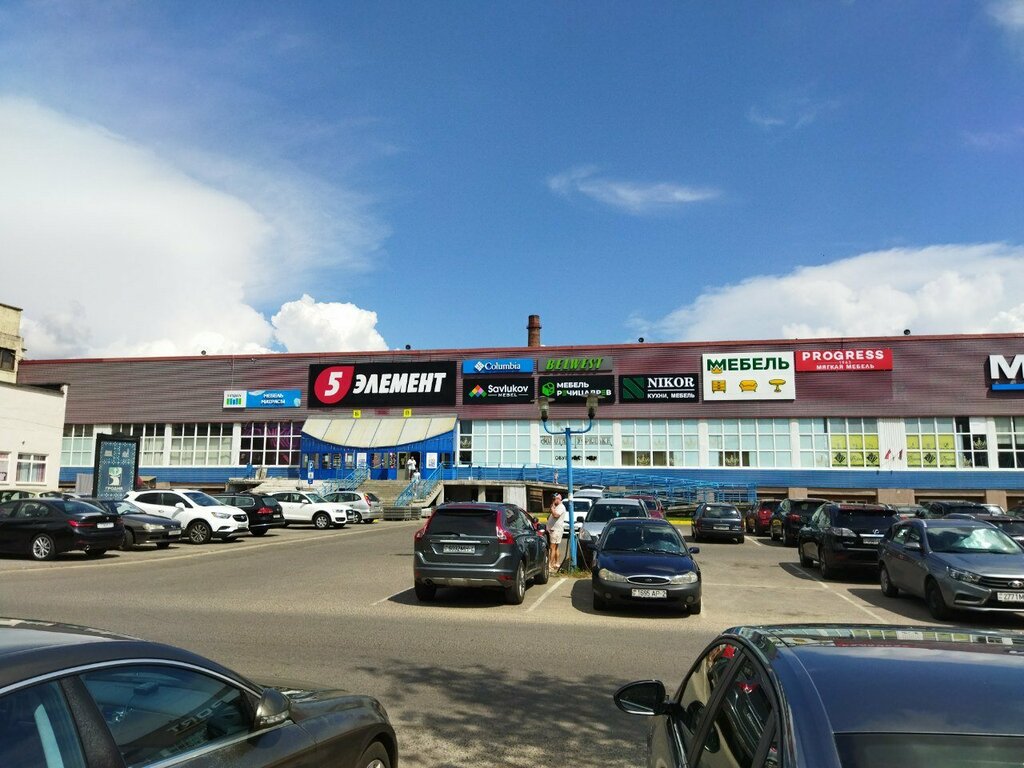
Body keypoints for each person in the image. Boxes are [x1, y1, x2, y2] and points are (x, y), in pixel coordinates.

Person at [547, 493, 567, 572]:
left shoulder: (561, 507)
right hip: (554, 530)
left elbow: (556, 515)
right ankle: (556, 563)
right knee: (556, 547)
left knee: (552, 548)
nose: (553, 501)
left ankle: (550, 565)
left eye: (554, 499)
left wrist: (552, 508)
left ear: (558, 499)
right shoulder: (557, 507)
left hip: (556, 530)